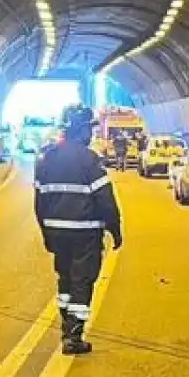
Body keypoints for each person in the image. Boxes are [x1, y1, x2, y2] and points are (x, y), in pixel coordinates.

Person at [35, 110, 122, 355]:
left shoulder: (47, 159)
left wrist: (46, 233)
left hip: (58, 234)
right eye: (90, 129)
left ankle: (66, 325)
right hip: (85, 234)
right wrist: (115, 229)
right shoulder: (88, 159)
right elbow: (105, 199)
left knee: (65, 280)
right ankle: (73, 337)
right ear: (82, 130)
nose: (91, 133)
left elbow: (39, 202)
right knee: (82, 281)